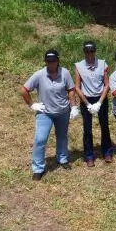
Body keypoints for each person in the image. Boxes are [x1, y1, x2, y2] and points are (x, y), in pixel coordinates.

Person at [20, 49, 79, 181]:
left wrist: (74, 106)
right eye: (48, 61)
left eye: (53, 61)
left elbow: (71, 89)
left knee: (62, 136)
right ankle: (38, 168)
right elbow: (24, 90)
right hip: (45, 113)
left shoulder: (65, 73)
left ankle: (62, 159)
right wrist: (31, 104)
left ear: (57, 61)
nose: (51, 64)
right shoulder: (39, 75)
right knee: (40, 139)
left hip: (63, 112)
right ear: (45, 62)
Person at [74, 41, 112, 167]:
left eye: (92, 51)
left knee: (104, 126)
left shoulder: (102, 64)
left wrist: (100, 102)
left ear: (95, 52)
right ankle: (89, 155)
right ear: (84, 52)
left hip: (101, 98)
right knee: (87, 128)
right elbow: (77, 87)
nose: (89, 54)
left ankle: (107, 152)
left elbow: (107, 85)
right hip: (86, 99)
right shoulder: (79, 66)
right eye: (87, 52)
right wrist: (87, 104)